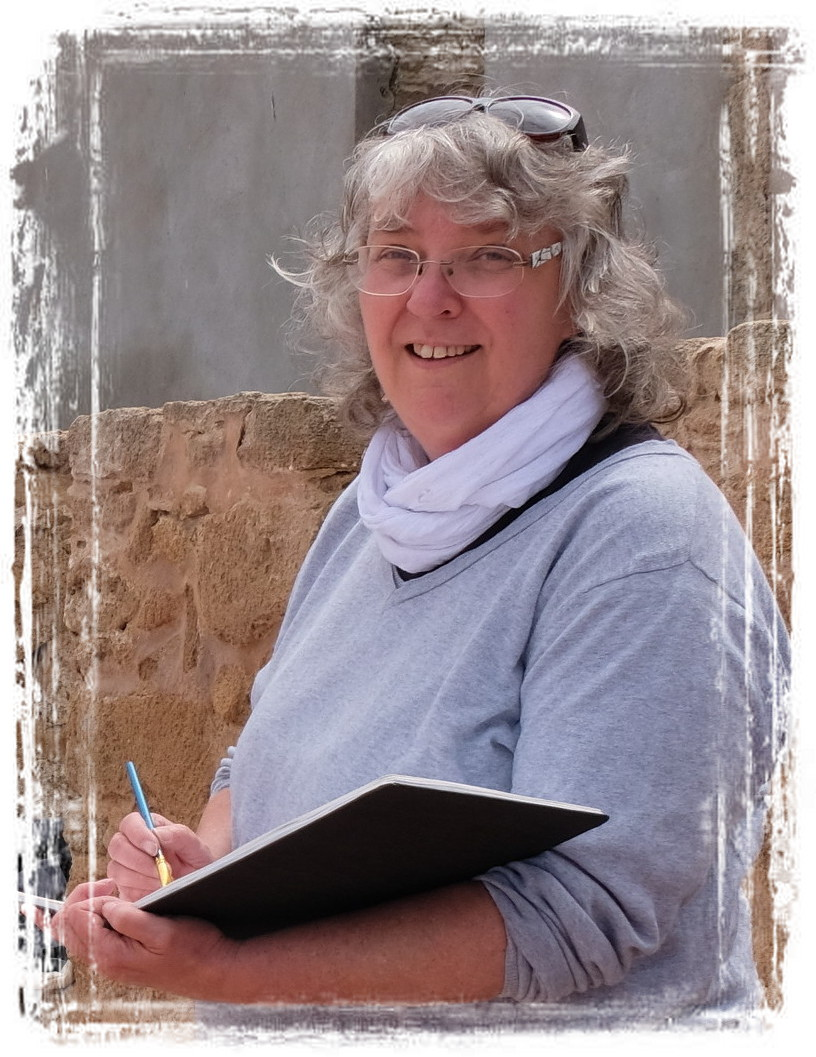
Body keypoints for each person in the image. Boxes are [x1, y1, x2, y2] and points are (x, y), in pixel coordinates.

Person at [53, 93, 788, 1024]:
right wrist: (203, 872)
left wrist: (233, 967)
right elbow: (258, 763)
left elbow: (583, 914)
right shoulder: (370, 515)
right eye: (396, 255)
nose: (430, 297)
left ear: (581, 292)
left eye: (489, 255)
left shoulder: (644, 536)